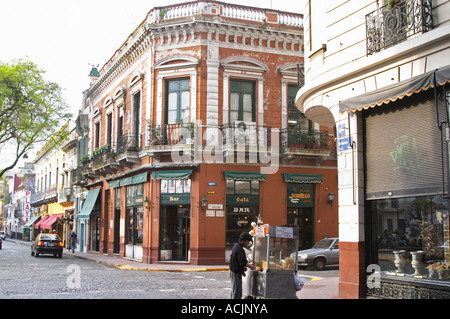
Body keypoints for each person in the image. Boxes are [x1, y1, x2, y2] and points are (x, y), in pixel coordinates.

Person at [229, 232, 262, 299]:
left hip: (233, 270)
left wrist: (243, 268)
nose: (248, 243)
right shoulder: (240, 249)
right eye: (247, 241)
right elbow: (243, 262)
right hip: (236, 271)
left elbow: (238, 261)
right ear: (243, 241)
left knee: (234, 289)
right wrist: (255, 267)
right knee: (237, 290)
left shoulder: (236, 246)